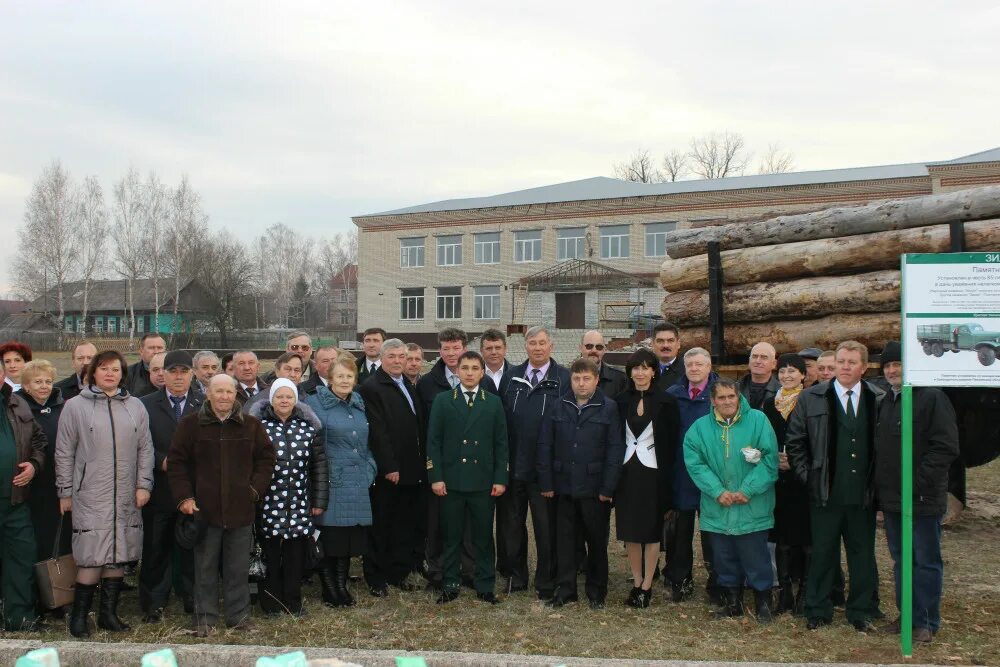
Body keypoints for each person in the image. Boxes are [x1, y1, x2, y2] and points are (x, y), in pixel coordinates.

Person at [785, 340, 885, 632]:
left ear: (864, 367)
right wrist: (810, 478)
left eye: (851, 362)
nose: (844, 367)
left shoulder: (877, 399)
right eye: (841, 361)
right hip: (826, 493)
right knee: (823, 554)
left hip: (862, 494)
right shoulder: (811, 398)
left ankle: (861, 610)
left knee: (862, 555)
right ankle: (817, 609)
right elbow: (795, 442)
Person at [167, 374, 276, 637]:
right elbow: (177, 463)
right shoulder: (190, 425)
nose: (224, 396)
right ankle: (204, 619)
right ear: (208, 393)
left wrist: (254, 490)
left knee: (237, 568)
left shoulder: (250, 425)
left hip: (240, 509)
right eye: (219, 391)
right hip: (204, 511)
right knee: (204, 568)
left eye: (229, 391)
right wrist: (185, 497)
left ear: (236, 394)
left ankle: (239, 618)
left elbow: (266, 458)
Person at [56, 350, 155, 638]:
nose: (110, 374)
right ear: (93, 373)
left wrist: (143, 484)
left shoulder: (135, 406)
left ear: (123, 373)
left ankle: (108, 614)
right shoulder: (75, 406)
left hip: (126, 491)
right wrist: (65, 491)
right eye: (104, 369)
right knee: (91, 555)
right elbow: (64, 452)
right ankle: (79, 617)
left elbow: (145, 448)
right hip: (90, 492)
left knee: (118, 552)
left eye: (115, 369)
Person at [874, 341, 959, 643]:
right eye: (887, 366)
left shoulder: (932, 398)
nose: (893, 370)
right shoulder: (887, 401)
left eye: (897, 364)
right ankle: (907, 615)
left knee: (925, 559)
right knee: (901, 560)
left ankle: (925, 621)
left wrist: (919, 482)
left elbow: (945, 446)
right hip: (895, 500)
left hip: (921, 498)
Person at [683, 378, 779, 623]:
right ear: (713, 401)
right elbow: (695, 464)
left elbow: (769, 460)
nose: (727, 402)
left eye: (731, 396)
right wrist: (716, 490)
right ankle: (732, 602)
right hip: (718, 505)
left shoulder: (758, 421)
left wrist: (748, 489)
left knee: (755, 556)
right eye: (721, 397)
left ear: (739, 397)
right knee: (724, 557)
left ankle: (763, 603)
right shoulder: (699, 428)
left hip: (751, 504)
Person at [537, 357, 624, 609]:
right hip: (563, 486)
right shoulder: (557, 405)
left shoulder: (608, 407)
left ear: (596, 380)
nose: (581, 383)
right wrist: (546, 481)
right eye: (576, 378)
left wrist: (608, 488)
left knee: (596, 542)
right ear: (570, 380)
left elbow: (615, 450)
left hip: (594, 490)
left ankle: (597, 591)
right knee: (564, 541)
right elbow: (545, 445)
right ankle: (566, 589)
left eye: (587, 378)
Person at [427, 351, 508, 605]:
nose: (470, 372)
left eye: (475, 368)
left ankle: (485, 584)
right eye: (465, 368)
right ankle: (450, 583)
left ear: (482, 372)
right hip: (451, 481)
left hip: (483, 482)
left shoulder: (493, 402)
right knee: (452, 536)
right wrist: (436, 477)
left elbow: (501, 444)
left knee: (483, 536)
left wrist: (500, 478)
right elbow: (433, 442)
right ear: (457, 372)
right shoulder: (443, 400)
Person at [500, 325, 569, 599]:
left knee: (545, 528)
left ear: (551, 346)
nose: (537, 348)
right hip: (515, 467)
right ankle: (516, 578)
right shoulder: (511, 376)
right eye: (533, 343)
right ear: (525, 347)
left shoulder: (562, 378)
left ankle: (546, 581)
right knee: (513, 527)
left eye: (542, 343)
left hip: (545, 471)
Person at [305, 355, 377, 608]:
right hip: (331, 482)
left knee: (348, 539)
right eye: (340, 376)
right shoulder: (314, 403)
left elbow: (368, 442)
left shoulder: (358, 403)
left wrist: (370, 468)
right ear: (330, 379)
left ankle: (341, 586)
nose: (345, 381)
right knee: (330, 537)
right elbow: (312, 444)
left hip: (357, 482)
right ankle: (329, 589)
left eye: (349, 376)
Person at [138, 350, 203, 623]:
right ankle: (154, 601)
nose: (178, 377)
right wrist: (161, 462)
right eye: (172, 371)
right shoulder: (144, 405)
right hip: (160, 488)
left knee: (190, 545)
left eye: (184, 371)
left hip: (192, 488)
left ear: (192, 374)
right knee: (156, 546)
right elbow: (139, 444)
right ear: (162, 374)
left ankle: (189, 595)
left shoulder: (202, 404)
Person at [357, 338, 426, 596]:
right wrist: (389, 466)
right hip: (390, 472)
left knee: (402, 525)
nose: (398, 361)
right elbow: (378, 431)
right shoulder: (372, 387)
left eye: (402, 356)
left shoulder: (405, 383)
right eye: (393, 356)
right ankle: (376, 578)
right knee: (382, 525)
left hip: (411, 469)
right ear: (382, 359)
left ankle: (397, 573)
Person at [254, 378, 328, 616]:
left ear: (295, 400)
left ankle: (293, 602)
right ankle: (271, 603)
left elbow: (318, 466)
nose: (284, 401)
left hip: (299, 501)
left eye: (288, 396)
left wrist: (318, 501)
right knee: (271, 555)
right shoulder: (259, 427)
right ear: (271, 399)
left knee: (296, 556)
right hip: (269, 502)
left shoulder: (308, 427)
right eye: (279, 396)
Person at [614, 349, 679, 608]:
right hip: (628, 473)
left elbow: (672, 444)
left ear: (654, 371)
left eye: (645, 367)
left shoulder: (666, 402)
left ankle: (648, 585)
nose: (640, 373)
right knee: (631, 530)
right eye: (635, 368)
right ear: (630, 372)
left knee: (652, 532)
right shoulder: (620, 401)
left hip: (654, 473)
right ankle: (636, 581)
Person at [664, 347, 720, 603]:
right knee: (679, 533)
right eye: (690, 365)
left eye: (700, 364)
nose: (695, 369)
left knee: (713, 533)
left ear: (709, 367)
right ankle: (680, 582)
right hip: (681, 474)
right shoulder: (673, 396)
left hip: (713, 475)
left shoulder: (723, 394)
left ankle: (717, 582)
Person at [416, 328, 471, 590]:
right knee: (437, 522)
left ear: (464, 348)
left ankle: (469, 570)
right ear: (439, 350)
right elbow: (424, 427)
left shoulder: (477, 378)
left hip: (471, 463)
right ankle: (437, 571)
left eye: (456, 348)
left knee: (469, 520)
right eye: (446, 349)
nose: (451, 353)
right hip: (440, 463)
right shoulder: (428, 383)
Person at [18, 360, 72, 611]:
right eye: (37, 382)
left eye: (48, 381)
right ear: (26, 385)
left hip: (57, 484)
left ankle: (58, 594)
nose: (44, 386)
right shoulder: (17, 408)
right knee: (32, 541)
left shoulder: (63, 408)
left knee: (57, 541)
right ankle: (34, 596)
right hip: (29, 485)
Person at [760, 353, 810, 615]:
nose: (787, 376)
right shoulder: (770, 404)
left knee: (804, 538)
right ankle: (785, 592)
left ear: (803, 375)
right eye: (783, 371)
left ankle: (805, 593)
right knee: (781, 539)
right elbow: (763, 436)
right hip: (776, 478)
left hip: (802, 478)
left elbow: (816, 438)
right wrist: (772, 458)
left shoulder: (810, 401)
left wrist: (797, 460)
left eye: (793, 371)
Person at [0, 362, 46, 631]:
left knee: (21, 557)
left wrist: (34, 465)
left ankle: (19, 618)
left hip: (15, 500)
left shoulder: (18, 404)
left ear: (4, 374)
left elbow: (39, 441)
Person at [580, 330, 626, 398]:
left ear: (604, 350)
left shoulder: (620, 379)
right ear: (580, 348)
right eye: (589, 346)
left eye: (599, 347)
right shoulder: (567, 378)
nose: (594, 350)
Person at [738, 342, 779, 410]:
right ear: (749, 361)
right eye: (754, 356)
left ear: (774, 364)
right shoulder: (735, 389)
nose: (758, 361)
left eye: (764, 357)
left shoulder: (780, 393)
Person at [126, 333, 166, 398]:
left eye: (159, 348)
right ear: (141, 351)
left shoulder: (175, 372)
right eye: (151, 348)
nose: (156, 351)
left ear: (165, 350)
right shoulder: (127, 374)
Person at [652, 322, 684, 391]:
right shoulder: (642, 369)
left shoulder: (689, 370)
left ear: (678, 344)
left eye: (670, 341)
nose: (665, 345)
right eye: (660, 341)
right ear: (653, 344)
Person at [479, 329, 509, 393]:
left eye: (498, 348)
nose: (493, 352)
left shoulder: (517, 374)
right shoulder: (474, 375)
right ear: (481, 351)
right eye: (489, 348)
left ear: (505, 349)